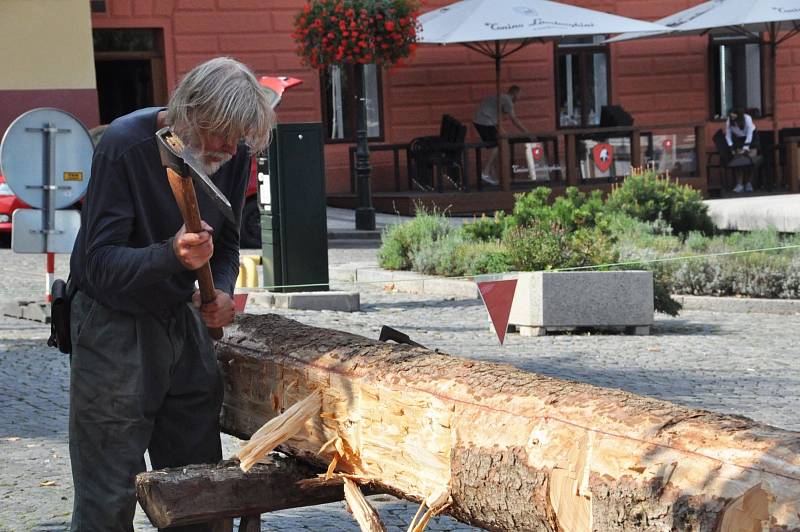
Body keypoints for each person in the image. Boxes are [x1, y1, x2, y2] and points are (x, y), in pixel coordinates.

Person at [67, 57, 276, 531]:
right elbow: (98, 267)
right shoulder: (126, 144)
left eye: (239, 135)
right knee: (109, 494)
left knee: (196, 488)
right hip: (112, 324)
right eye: (222, 132)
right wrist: (170, 256)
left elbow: (225, 246)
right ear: (191, 111)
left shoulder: (233, 152)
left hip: (183, 322)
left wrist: (222, 290)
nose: (229, 146)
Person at [473, 85, 529, 185]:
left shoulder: (502, 97)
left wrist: (502, 131)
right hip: (484, 122)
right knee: (499, 144)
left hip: (481, 120)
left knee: (501, 141)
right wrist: (527, 133)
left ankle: (492, 173)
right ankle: (486, 172)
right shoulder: (508, 101)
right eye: (519, 95)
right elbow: (514, 120)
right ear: (514, 93)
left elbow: (495, 118)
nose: (520, 98)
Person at [725, 107, 757, 193]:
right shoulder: (729, 121)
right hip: (739, 139)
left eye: (734, 117)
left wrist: (746, 148)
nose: (732, 119)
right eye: (731, 117)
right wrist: (731, 147)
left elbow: (750, 134)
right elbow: (728, 135)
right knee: (739, 160)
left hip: (752, 139)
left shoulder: (747, 118)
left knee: (751, 160)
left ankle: (748, 183)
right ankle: (739, 184)